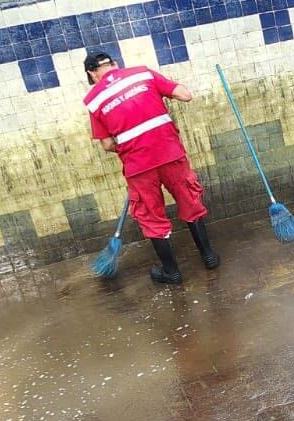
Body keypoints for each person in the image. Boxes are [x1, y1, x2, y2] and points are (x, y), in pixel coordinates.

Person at [83, 51, 219, 284]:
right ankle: (209, 257)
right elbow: (185, 95)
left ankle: (171, 272)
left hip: (139, 165)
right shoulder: (142, 73)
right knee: (189, 201)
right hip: (170, 153)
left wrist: (128, 146)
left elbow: (106, 144)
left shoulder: (94, 100)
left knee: (151, 216)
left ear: (92, 74)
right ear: (115, 64)